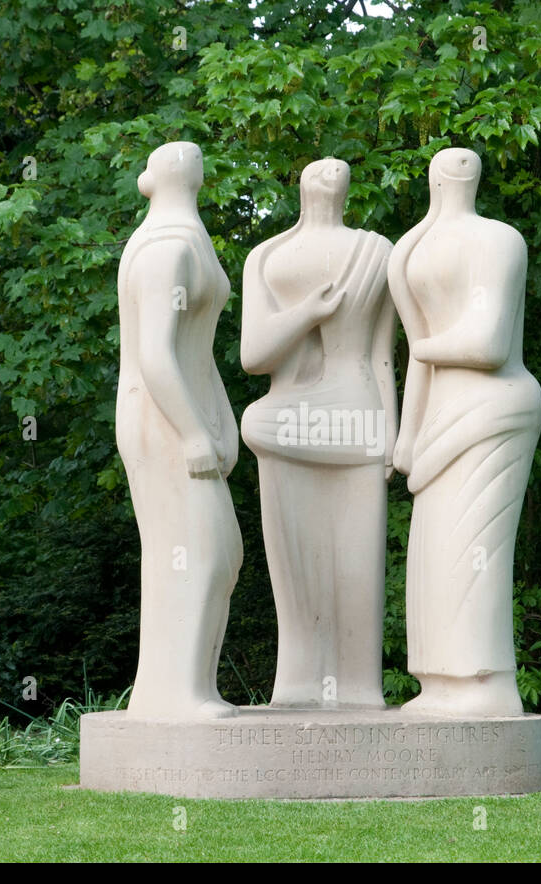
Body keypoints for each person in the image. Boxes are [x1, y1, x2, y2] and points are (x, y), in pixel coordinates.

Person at [390, 148, 541, 717]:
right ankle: (442, 683)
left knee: (475, 552)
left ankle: (487, 687)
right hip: (440, 421)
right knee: (436, 554)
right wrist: (407, 437)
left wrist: (424, 350)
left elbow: (487, 345)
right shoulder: (414, 248)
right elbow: (418, 362)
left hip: (494, 410)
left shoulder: (498, 240)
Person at [241, 157, 397, 709]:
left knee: (357, 563)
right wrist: (308, 310)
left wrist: (390, 436)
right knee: (296, 567)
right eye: (317, 168)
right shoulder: (267, 257)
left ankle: (358, 686)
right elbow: (254, 356)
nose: (329, 172)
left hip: (355, 415)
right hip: (292, 415)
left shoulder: (378, 251)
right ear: (300, 183)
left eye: (338, 169)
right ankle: (299, 684)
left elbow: (382, 354)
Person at [116, 141, 241, 718]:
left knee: (216, 551)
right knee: (196, 551)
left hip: (186, 410)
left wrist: (222, 423)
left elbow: (200, 357)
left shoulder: (188, 240)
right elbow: (156, 358)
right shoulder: (164, 248)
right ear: (172, 173)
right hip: (159, 415)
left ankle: (184, 689)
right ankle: (171, 694)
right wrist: (194, 431)